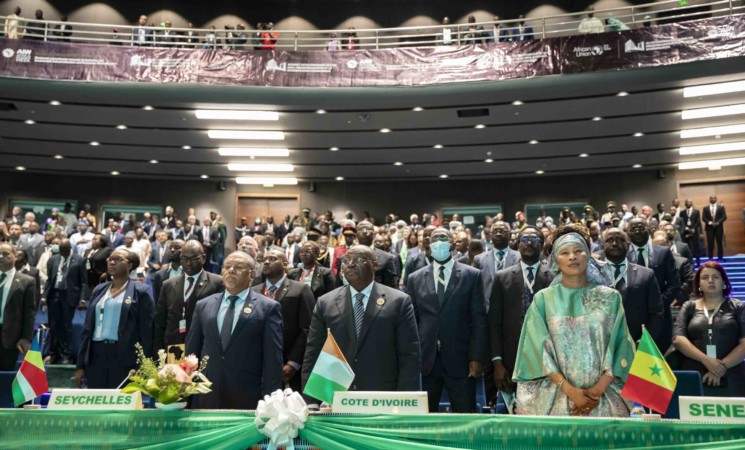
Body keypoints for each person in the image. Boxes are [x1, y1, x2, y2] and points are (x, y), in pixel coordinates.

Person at [513, 226, 635, 417]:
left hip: (604, 397)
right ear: (555, 261)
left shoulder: (611, 298)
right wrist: (571, 391)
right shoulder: (543, 300)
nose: (572, 257)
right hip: (556, 398)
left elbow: (622, 346)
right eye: (565, 252)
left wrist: (597, 390)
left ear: (588, 255)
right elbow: (536, 350)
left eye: (578, 251)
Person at [302, 245, 421, 405]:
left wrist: (404, 400)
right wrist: (311, 401)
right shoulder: (325, 302)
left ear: (374, 264)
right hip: (336, 396)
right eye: (346, 260)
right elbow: (313, 352)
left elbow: (409, 355)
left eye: (358, 259)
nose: (350, 264)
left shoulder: (399, 301)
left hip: (383, 398)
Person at [185, 251, 283, 409]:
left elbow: (273, 360)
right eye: (227, 266)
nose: (231, 270)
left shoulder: (268, 308)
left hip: (248, 395)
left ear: (251, 274)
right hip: (207, 393)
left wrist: (270, 401)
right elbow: (192, 352)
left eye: (238, 267)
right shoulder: (203, 305)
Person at [406, 228, 486, 413]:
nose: (440, 241)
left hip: (461, 359)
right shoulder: (415, 278)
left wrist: (476, 357)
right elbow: (412, 322)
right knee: (425, 419)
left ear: (452, 244)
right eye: (435, 238)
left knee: (465, 416)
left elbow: (478, 320)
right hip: (427, 360)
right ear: (429, 245)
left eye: (444, 238)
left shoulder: (472, 275)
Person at [489, 226, 555, 399]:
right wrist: (497, 362)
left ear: (541, 246)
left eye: (535, 240)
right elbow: (494, 323)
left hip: (547, 359)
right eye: (525, 239)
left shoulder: (555, 278)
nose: (529, 243)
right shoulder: (501, 277)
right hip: (511, 359)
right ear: (517, 245)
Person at [75, 249, 154, 388]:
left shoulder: (141, 291)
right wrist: (80, 365)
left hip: (124, 356)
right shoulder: (99, 289)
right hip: (96, 355)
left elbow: (147, 332)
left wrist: (142, 365)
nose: (111, 262)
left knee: (122, 405)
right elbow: (87, 329)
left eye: (117, 259)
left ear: (129, 266)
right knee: (97, 401)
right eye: (109, 259)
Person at [672, 262, 745, 396]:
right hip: (695, 376)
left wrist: (719, 368)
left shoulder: (738, 306)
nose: (710, 280)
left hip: (732, 376)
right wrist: (707, 361)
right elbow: (678, 339)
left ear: (724, 281)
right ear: (699, 283)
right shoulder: (689, 306)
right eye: (705, 277)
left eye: (715, 277)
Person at [252, 249, 315, 391]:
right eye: (265, 259)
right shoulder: (254, 291)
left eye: (273, 258)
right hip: (257, 367)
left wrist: (293, 363)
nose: (267, 262)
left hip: (288, 366)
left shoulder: (300, 289)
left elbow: (308, 329)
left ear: (285, 264)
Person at [154, 240, 224, 353]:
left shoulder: (217, 283)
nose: (188, 263)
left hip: (202, 347)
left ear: (203, 258)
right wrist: (158, 351)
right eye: (184, 259)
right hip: (174, 347)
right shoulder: (168, 284)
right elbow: (160, 322)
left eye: (193, 259)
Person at [601, 228, 664, 343]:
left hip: (637, 344)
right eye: (610, 240)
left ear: (629, 245)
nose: (615, 243)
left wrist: (645, 341)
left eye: (620, 240)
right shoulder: (592, 275)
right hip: (603, 345)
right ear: (602, 245)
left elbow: (657, 313)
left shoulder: (646, 274)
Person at [627, 218, 680, 352]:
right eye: (633, 228)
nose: (638, 231)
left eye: (641, 227)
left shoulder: (663, 252)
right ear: (627, 233)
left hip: (660, 317)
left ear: (649, 230)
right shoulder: (623, 255)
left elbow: (674, 284)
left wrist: (658, 303)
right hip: (630, 318)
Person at [42, 238, 88, 364]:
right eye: (61, 250)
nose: (62, 252)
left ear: (70, 248)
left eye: (64, 250)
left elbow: (84, 282)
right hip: (54, 294)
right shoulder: (53, 260)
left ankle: (65, 355)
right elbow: (49, 280)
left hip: (70, 295)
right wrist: (44, 296)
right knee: (53, 325)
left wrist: (82, 299)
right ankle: (52, 353)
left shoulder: (80, 260)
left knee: (66, 326)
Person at [0, 243, 36, 371]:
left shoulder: (27, 281)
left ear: (15, 257)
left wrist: (26, 337)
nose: (1, 257)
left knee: (5, 379)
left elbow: (29, 312)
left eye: (5, 254)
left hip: (9, 338)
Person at [474, 221, 520, 310]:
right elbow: (475, 289)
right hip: (487, 310)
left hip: (512, 310)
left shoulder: (520, 257)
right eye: (495, 231)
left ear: (509, 235)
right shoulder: (479, 259)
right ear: (490, 235)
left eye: (502, 231)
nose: (498, 234)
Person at [151, 239, 184, 304]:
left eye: (176, 248)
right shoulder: (159, 275)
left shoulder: (190, 273)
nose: (172, 250)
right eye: (170, 247)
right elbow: (157, 300)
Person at [702, 196, 727, 261]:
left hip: (719, 228)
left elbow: (724, 217)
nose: (712, 199)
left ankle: (720, 257)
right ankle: (710, 257)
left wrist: (717, 223)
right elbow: (704, 218)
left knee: (719, 243)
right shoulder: (705, 208)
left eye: (714, 198)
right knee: (710, 243)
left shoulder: (721, 207)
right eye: (711, 198)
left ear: (716, 199)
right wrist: (710, 223)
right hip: (709, 228)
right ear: (709, 199)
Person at [679, 199, 702, 264]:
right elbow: (682, 222)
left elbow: (698, 221)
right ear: (685, 204)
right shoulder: (682, 212)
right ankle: (689, 262)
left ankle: (698, 262)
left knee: (696, 246)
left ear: (691, 203)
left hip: (694, 232)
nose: (688, 203)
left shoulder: (696, 211)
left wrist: (693, 229)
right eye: (687, 202)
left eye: (690, 202)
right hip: (686, 232)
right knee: (687, 247)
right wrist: (687, 228)